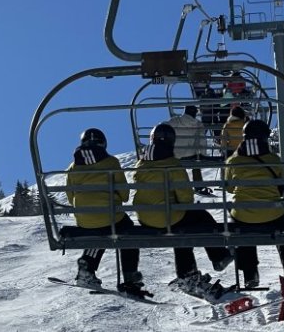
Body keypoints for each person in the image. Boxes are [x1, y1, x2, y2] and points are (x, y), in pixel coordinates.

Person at [133, 123, 234, 296]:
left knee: (181, 228)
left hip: (144, 217)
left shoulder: (141, 163)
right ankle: (218, 256)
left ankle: (188, 274)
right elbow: (185, 197)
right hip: (166, 218)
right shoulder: (171, 163)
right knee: (200, 216)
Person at [225, 119, 284, 291]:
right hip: (272, 216)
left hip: (243, 216)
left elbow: (228, 187)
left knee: (241, 230)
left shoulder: (233, 161)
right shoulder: (273, 159)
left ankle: (250, 274)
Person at [65, 128, 146, 297]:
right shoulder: (111, 162)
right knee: (126, 230)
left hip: (85, 218)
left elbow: (70, 196)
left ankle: (87, 266)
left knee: (99, 229)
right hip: (110, 216)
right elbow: (124, 195)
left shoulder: (73, 167)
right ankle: (130, 277)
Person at [167, 105, 211, 195]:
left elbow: (163, 128)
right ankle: (198, 185)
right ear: (195, 113)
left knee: (174, 167)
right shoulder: (198, 124)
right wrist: (203, 156)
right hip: (189, 154)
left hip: (174, 154)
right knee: (196, 163)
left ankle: (175, 186)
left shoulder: (175, 121)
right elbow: (202, 141)